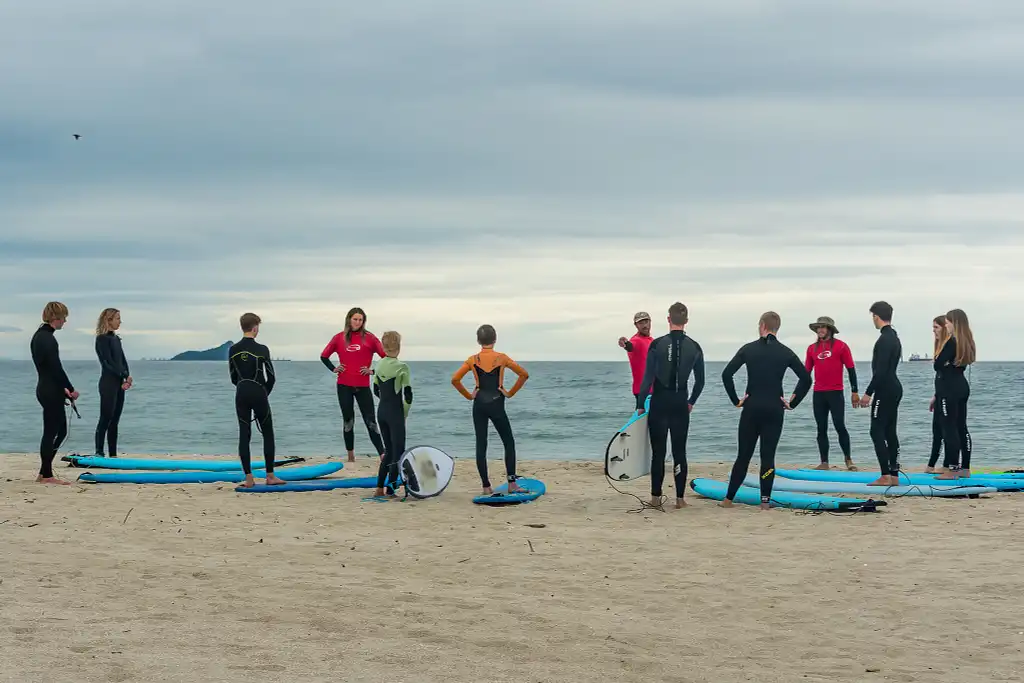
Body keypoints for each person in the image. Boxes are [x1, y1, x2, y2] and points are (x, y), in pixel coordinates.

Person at [721, 311, 812, 509]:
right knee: (768, 457)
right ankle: (765, 502)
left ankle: (728, 500)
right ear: (776, 328)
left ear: (762, 325)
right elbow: (806, 379)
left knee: (743, 455)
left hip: (752, 407)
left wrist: (736, 400)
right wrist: (792, 402)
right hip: (774, 409)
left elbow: (726, 374)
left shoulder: (748, 349)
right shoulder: (786, 352)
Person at [635, 302, 705, 509]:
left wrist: (640, 405)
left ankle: (656, 498)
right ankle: (680, 499)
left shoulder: (656, 345)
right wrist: (691, 401)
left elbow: (647, 379)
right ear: (686, 321)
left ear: (668, 319)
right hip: (680, 403)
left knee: (658, 452)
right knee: (679, 451)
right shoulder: (695, 346)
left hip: (659, 402)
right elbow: (700, 381)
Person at [451, 324, 529, 495]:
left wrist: (469, 396)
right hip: (496, 403)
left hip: (479, 404)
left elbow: (455, 379)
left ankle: (486, 487)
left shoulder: (472, 360)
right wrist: (509, 393)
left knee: (481, 444)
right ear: (495, 339)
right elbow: (524, 374)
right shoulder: (502, 358)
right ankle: (512, 484)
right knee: (508, 442)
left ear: (478, 340)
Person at [320, 307, 386, 462]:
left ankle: (382, 454)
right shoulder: (339, 338)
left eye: (361, 320)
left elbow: (386, 357)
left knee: (371, 421)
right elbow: (324, 356)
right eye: (355, 319)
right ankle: (350, 456)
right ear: (349, 319)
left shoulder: (369, 338)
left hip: (363, 386)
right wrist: (334, 368)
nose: (358, 322)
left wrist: (372, 371)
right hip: (344, 385)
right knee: (348, 421)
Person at [229, 312, 285, 488]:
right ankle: (270, 476)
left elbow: (233, 377)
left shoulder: (233, 349)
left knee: (244, 434)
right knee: (267, 432)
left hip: (241, 393)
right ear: (255, 327)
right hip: (259, 393)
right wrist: (263, 393)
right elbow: (272, 377)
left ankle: (248, 478)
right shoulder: (262, 349)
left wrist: (243, 388)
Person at [30, 301, 78, 485]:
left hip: (48, 387)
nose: (65, 322)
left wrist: (63, 388)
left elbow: (50, 369)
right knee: (51, 431)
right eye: (64, 318)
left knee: (60, 430)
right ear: (55, 318)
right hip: (49, 389)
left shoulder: (40, 336)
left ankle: (44, 472)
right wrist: (71, 388)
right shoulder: (47, 338)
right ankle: (47, 474)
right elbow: (56, 368)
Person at [804, 316, 858, 471]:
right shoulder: (811, 349)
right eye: (818, 327)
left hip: (836, 393)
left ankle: (848, 460)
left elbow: (851, 369)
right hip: (819, 394)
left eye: (823, 327)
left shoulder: (841, 346)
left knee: (840, 426)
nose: (820, 330)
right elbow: (806, 373)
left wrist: (854, 391)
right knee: (821, 428)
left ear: (830, 330)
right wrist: (796, 394)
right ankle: (824, 462)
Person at [858, 301, 903, 486]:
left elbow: (881, 371)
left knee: (876, 431)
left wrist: (868, 393)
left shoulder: (884, 339)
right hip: (894, 387)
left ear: (876, 316)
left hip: (885, 389)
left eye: (872, 317)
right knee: (890, 432)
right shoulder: (894, 336)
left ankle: (885, 475)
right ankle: (894, 475)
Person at [934, 309, 976, 480]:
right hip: (961, 385)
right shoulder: (968, 341)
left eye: (948, 322)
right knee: (961, 426)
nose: (947, 326)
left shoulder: (952, 341)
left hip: (949, 388)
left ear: (954, 323)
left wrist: (942, 362)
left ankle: (952, 468)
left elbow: (937, 364)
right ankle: (964, 467)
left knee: (949, 427)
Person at [372, 331, 413, 497]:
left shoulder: (379, 364)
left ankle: (379, 488)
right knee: (398, 451)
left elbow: (375, 389)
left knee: (388, 451)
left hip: (381, 411)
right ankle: (391, 489)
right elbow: (408, 396)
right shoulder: (402, 367)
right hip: (395, 413)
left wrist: (386, 403)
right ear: (399, 347)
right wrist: (404, 413)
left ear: (383, 346)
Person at [94, 308, 132, 458]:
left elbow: (122, 360)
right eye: (117, 318)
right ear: (108, 320)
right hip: (108, 383)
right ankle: (99, 451)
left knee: (115, 420)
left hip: (119, 383)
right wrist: (122, 374)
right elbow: (107, 363)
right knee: (106, 417)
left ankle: (113, 453)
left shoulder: (116, 339)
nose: (120, 321)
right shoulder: (102, 339)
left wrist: (127, 376)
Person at [925, 315, 950, 474]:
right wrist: (936, 395)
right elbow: (940, 375)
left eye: (936, 327)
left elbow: (950, 375)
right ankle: (931, 465)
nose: (933, 331)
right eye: (933, 327)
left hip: (949, 394)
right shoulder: (939, 346)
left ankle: (948, 465)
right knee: (936, 430)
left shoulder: (949, 346)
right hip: (940, 393)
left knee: (947, 430)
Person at [618, 311, 654, 400]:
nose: (644, 325)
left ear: (650, 322)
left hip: (654, 390)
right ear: (636, 325)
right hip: (644, 391)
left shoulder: (651, 341)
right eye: (641, 323)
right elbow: (630, 346)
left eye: (646, 322)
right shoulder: (636, 340)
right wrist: (625, 343)